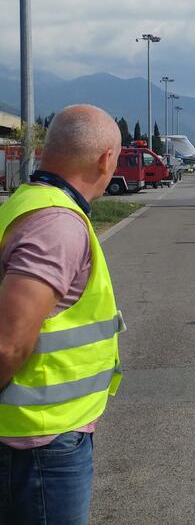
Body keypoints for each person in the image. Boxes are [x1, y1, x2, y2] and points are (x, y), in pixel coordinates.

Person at [0, 105, 125, 523]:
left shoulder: (28, 201)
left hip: (37, 435)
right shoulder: (57, 224)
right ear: (106, 159)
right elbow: (7, 344)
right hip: (39, 443)